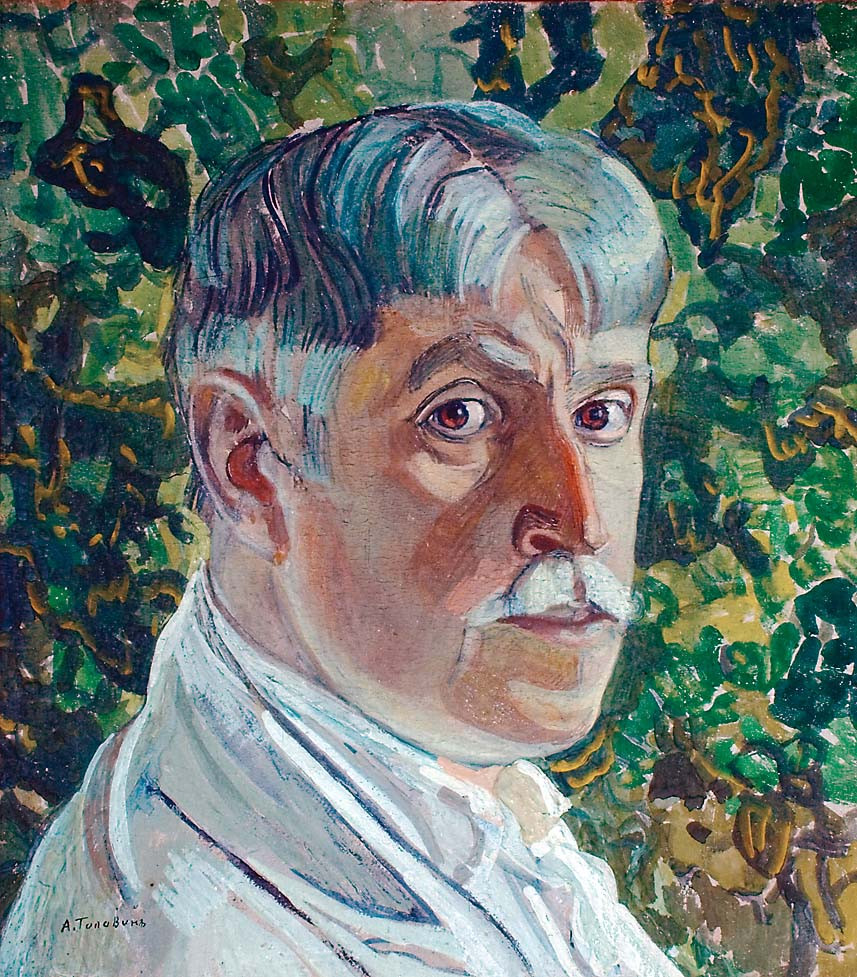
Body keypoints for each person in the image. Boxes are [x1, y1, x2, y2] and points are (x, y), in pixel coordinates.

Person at [0, 101, 681, 977]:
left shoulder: (447, 804)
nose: (581, 520)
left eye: (600, 414)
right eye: (460, 415)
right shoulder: (200, 938)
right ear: (249, 462)